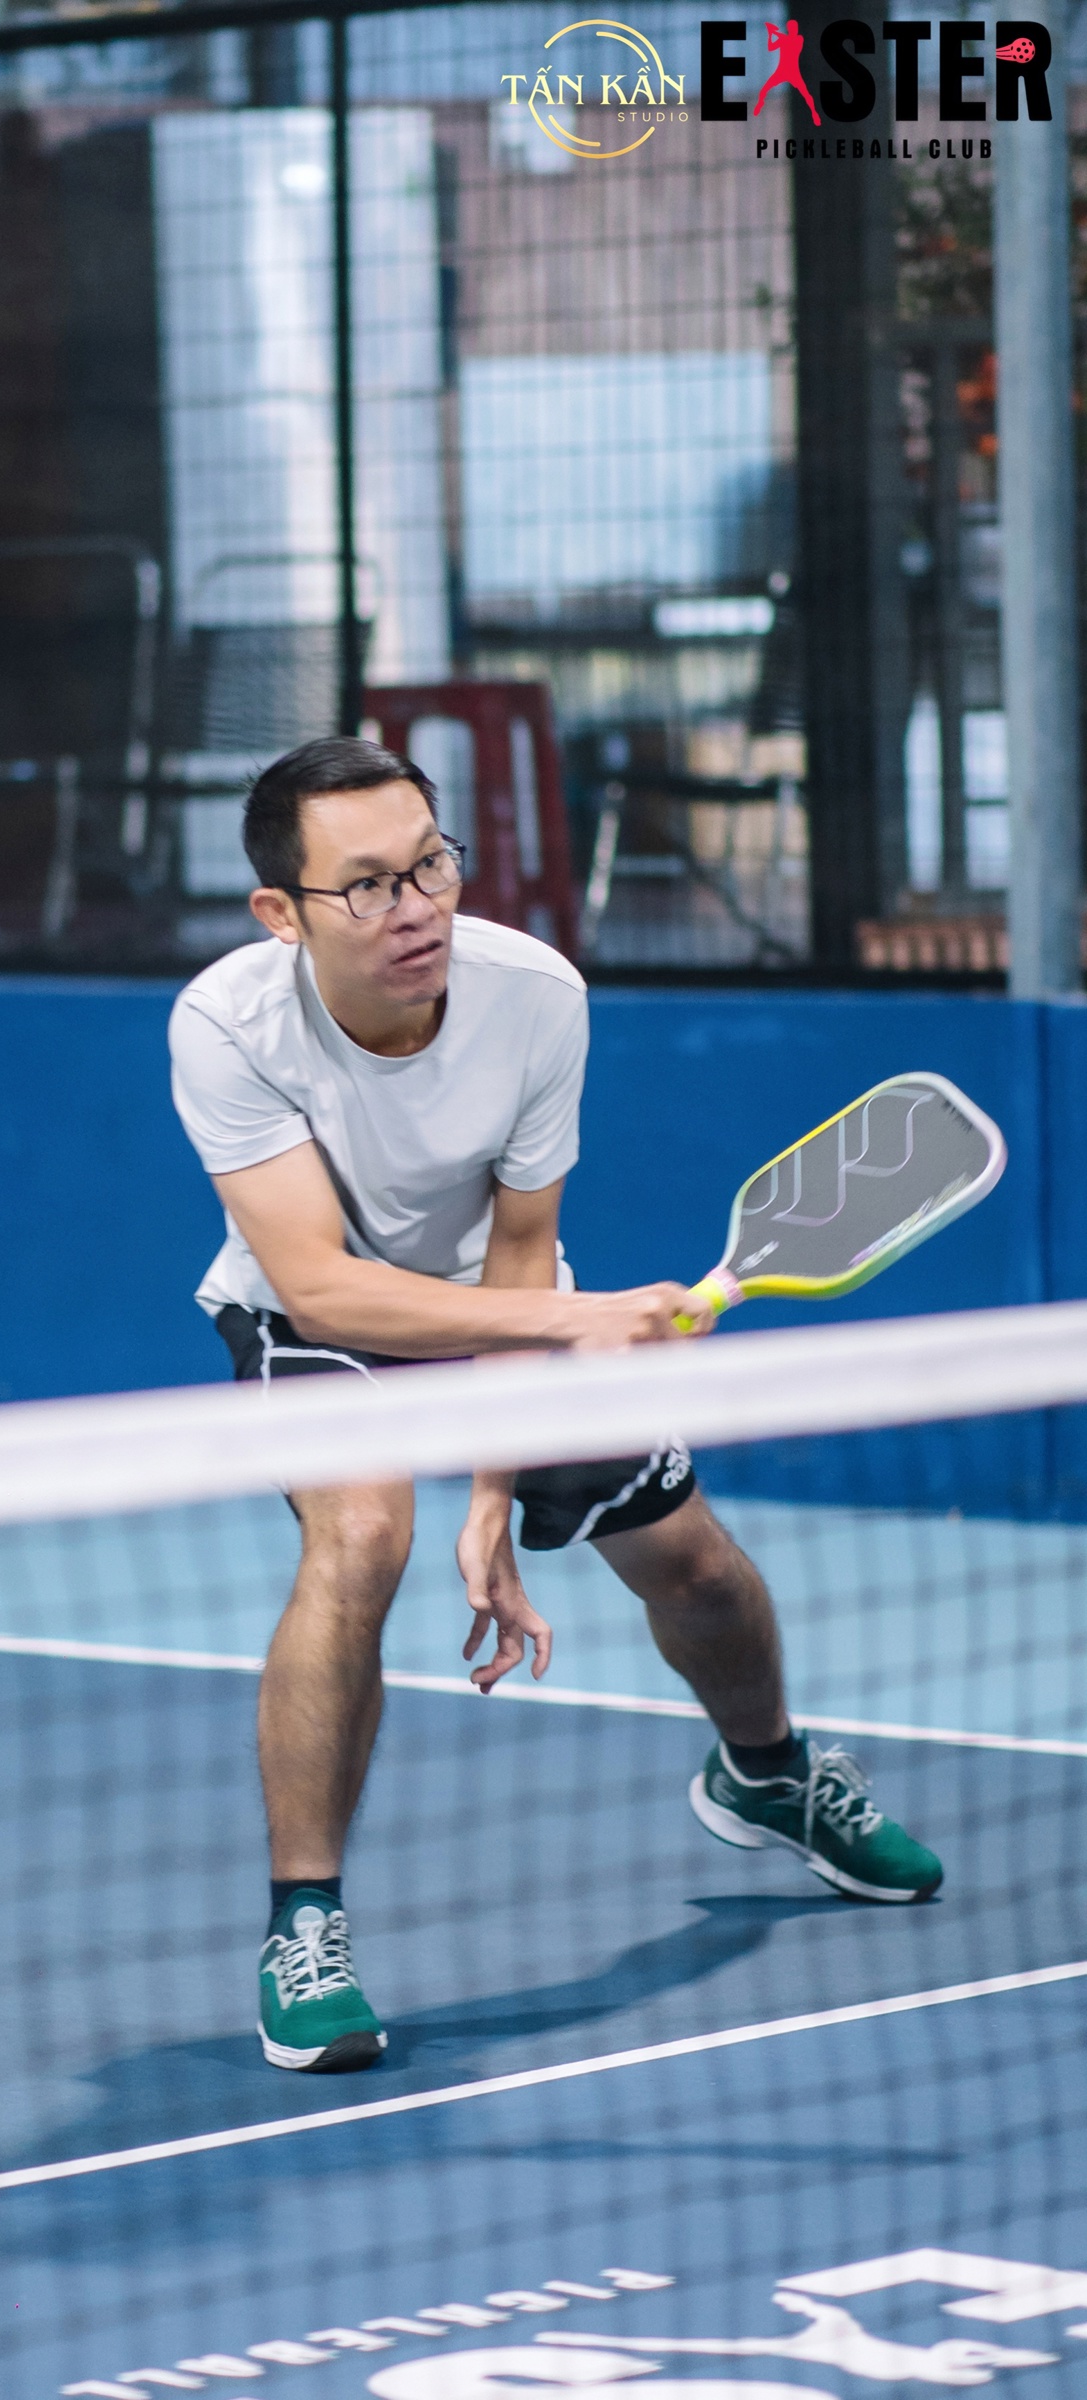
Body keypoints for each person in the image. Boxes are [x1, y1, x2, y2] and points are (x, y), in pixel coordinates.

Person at [168, 737, 942, 2076]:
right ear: (280, 913)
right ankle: (305, 1925)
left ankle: (767, 1773)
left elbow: (521, 1252)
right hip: (319, 1329)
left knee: (694, 1568)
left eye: (431, 865)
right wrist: (581, 1327)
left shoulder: (534, 996)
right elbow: (321, 1285)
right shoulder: (226, 1026)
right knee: (360, 1541)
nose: (416, 907)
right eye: (368, 885)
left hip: (504, 1304)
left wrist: (494, 1483)